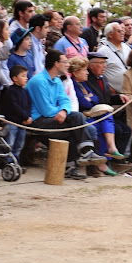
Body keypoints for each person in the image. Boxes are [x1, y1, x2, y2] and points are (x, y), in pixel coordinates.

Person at [26, 49, 106, 179]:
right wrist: (61, 110)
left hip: (53, 118)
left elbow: (65, 101)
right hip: (38, 121)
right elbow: (46, 110)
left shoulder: (57, 81)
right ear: (56, 63)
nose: (67, 64)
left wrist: (63, 111)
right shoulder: (38, 81)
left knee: (76, 121)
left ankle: (77, 160)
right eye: (65, 62)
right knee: (75, 124)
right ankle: (82, 155)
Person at [68, 56, 124, 176]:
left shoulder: (83, 84)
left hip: (88, 114)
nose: (87, 73)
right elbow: (83, 103)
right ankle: (102, 160)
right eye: (84, 70)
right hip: (80, 117)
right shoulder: (72, 84)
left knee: (106, 117)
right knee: (97, 127)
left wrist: (89, 98)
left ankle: (106, 154)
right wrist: (89, 98)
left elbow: (95, 98)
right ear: (76, 72)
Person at [0, 65, 32, 165]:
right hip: (12, 122)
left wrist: (28, 116)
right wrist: (25, 117)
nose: (26, 78)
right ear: (15, 78)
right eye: (23, 76)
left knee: (19, 144)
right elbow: (14, 106)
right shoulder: (10, 91)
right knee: (10, 143)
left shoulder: (25, 91)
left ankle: (16, 162)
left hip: (22, 123)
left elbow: (28, 105)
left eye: (26, 75)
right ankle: (7, 162)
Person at [99, 22, 130, 93]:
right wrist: (108, 88)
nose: (122, 33)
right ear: (110, 34)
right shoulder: (103, 51)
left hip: (130, 91)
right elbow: (99, 73)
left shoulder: (126, 47)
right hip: (115, 94)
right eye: (119, 31)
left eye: (122, 30)